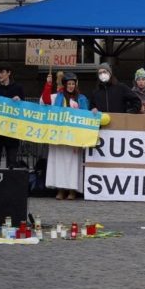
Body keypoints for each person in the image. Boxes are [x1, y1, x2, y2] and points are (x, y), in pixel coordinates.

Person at [40, 72, 89, 200]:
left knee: (73, 164)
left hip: (74, 136)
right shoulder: (59, 97)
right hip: (60, 135)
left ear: (76, 84)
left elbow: (86, 114)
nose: (71, 86)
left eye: (73, 84)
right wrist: (48, 84)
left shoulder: (82, 98)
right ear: (65, 85)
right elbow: (47, 102)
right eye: (69, 84)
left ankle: (72, 190)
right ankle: (60, 189)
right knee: (59, 163)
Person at [0, 64, 25, 168]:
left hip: (12, 131)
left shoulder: (18, 87)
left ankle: (10, 179)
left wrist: (20, 101)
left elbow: (24, 109)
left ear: (9, 73)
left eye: (2, 72)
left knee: (12, 163)